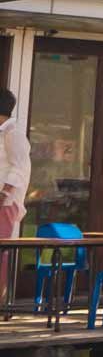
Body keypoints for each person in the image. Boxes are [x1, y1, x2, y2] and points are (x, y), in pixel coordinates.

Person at [0, 88, 25, 296]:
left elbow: (19, 168)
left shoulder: (13, 133)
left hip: (5, 204)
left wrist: (3, 195)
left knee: (1, 252)